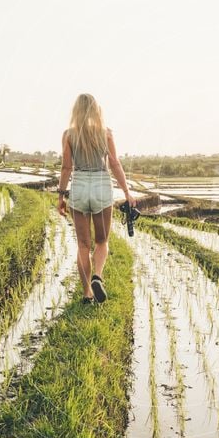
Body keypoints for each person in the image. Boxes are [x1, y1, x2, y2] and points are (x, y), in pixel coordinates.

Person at [57, 93, 136, 304]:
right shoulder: (106, 133)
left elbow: (66, 168)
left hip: (80, 187)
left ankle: (86, 294)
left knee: (83, 244)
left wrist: (61, 196)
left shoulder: (68, 135)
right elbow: (115, 164)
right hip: (101, 186)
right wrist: (127, 192)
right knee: (102, 241)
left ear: (76, 111)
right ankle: (97, 276)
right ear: (95, 109)